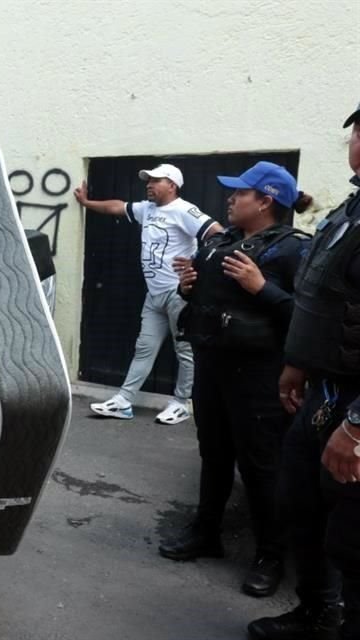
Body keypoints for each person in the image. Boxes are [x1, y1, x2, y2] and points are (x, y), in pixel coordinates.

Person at [160, 162, 312, 599]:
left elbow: (304, 316)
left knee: (262, 467)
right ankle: (206, 533)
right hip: (214, 367)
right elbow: (207, 298)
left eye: (239, 193)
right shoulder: (220, 243)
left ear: (265, 200)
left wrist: (261, 286)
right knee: (215, 454)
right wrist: (189, 286)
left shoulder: (291, 251)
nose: (230, 198)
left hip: (260, 375)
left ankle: (271, 556)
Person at [248, 102, 360, 640]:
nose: (355, 140)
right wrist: (296, 362)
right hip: (326, 390)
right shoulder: (351, 212)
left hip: (355, 407)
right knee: (301, 502)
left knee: (353, 536)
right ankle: (319, 612)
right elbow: (320, 295)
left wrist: (358, 426)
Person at [74, 164, 223, 424]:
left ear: (172, 185)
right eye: (148, 180)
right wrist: (87, 202)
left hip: (181, 294)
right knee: (144, 348)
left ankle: (180, 403)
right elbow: (116, 207)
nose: (149, 184)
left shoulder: (184, 210)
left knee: (185, 351)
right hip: (154, 296)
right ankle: (124, 401)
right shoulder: (148, 209)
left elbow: (219, 234)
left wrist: (197, 262)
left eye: (156, 180)